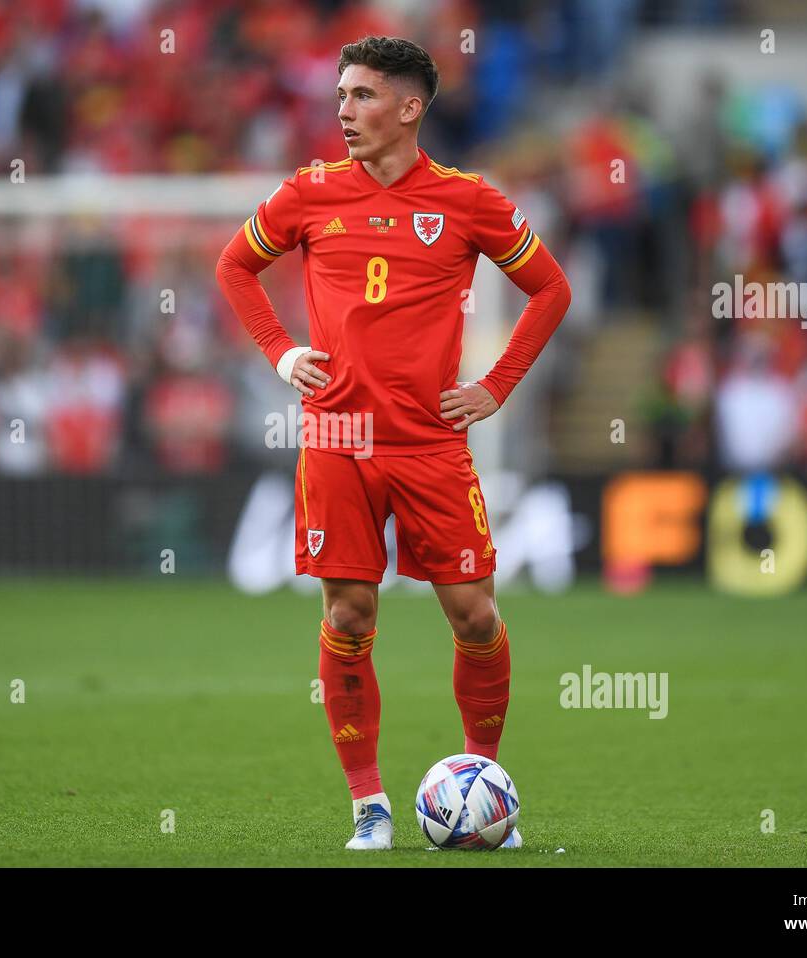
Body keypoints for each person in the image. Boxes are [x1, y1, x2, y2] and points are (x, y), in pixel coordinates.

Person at [216, 36, 571, 850]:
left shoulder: (468, 200)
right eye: (341, 95)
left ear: (410, 108)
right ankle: (368, 805)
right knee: (348, 609)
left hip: (430, 442)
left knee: (475, 615)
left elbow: (551, 288)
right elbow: (236, 267)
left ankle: (484, 782)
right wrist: (282, 352)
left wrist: (496, 386)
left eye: (364, 96)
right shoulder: (307, 193)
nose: (344, 110)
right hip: (336, 437)